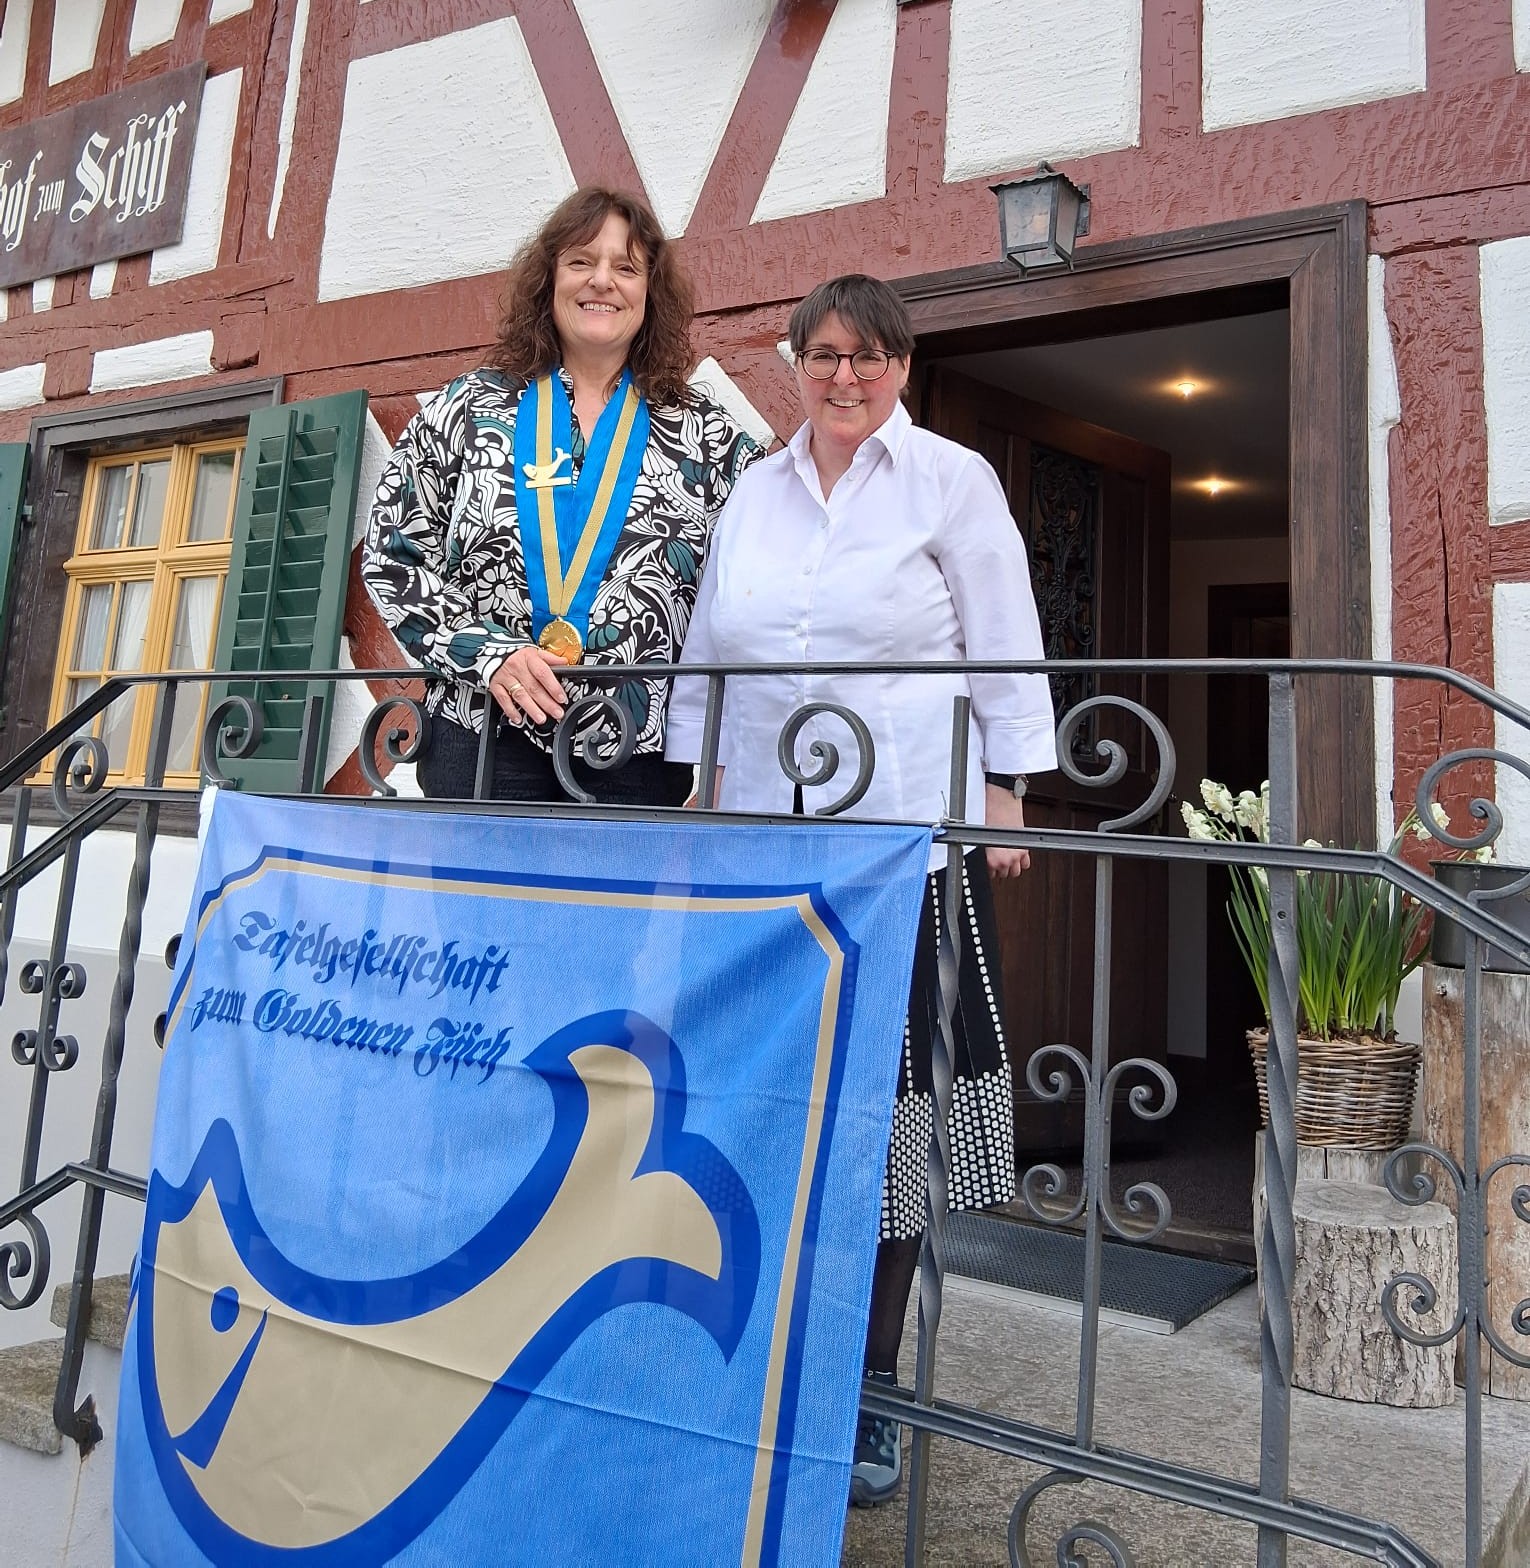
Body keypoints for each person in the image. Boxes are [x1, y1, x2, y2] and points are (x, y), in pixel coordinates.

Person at [665, 274, 1057, 1507]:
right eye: (825, 354)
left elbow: (1003, 636)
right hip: (768, 849)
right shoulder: (755, 491)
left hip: (905, 848)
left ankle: (870, 1380)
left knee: (892, 1124)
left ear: (902, 365)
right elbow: (709, 649)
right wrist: (696, 782)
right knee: (770, 1105)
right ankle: (762, 1354)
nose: (846, 376)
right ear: (793, 359)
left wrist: (1008, 791)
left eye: (870, 355)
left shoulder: (951, 479)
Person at [363, 187, 761, 805]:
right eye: (581, 261)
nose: (602, 281)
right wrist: (487, 655)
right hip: (481, 736)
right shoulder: (467, 407)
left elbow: (765, 568)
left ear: (650, 291)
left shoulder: (705, 433)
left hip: (635, 753)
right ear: (549, 278)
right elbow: (392, 555)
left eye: (625, 267)